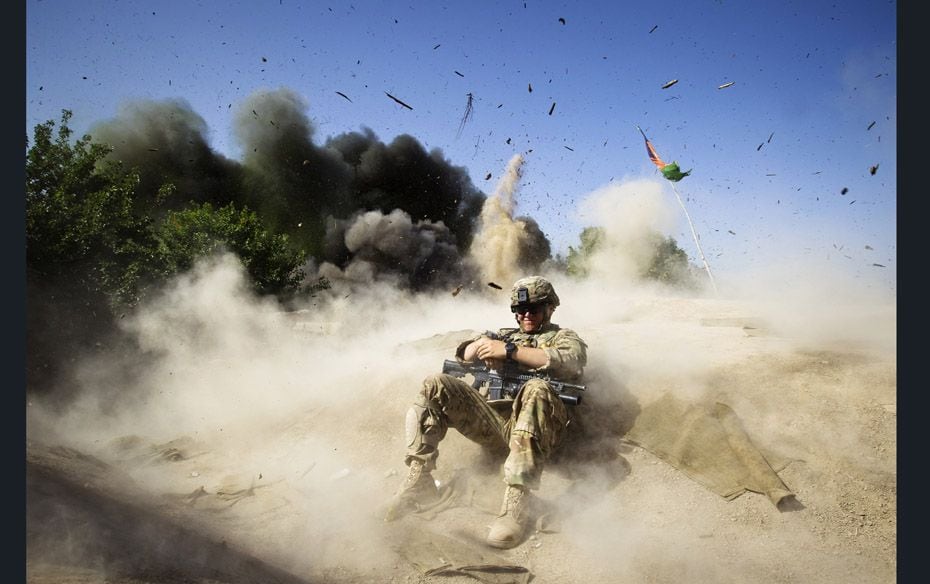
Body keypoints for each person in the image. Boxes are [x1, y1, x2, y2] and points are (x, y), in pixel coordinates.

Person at [384, 276, 588, 549]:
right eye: (520, 310)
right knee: (435, 384)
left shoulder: (563, 337)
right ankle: (419, 482)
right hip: (496, 425)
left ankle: (516, 502)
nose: (526, 315)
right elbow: (463, 355)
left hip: (543, 433)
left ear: (550, 308)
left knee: (537, 388)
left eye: (534, 309)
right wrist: (481, 348)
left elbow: (569, 360)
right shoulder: (502, 335)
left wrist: (511, 352)